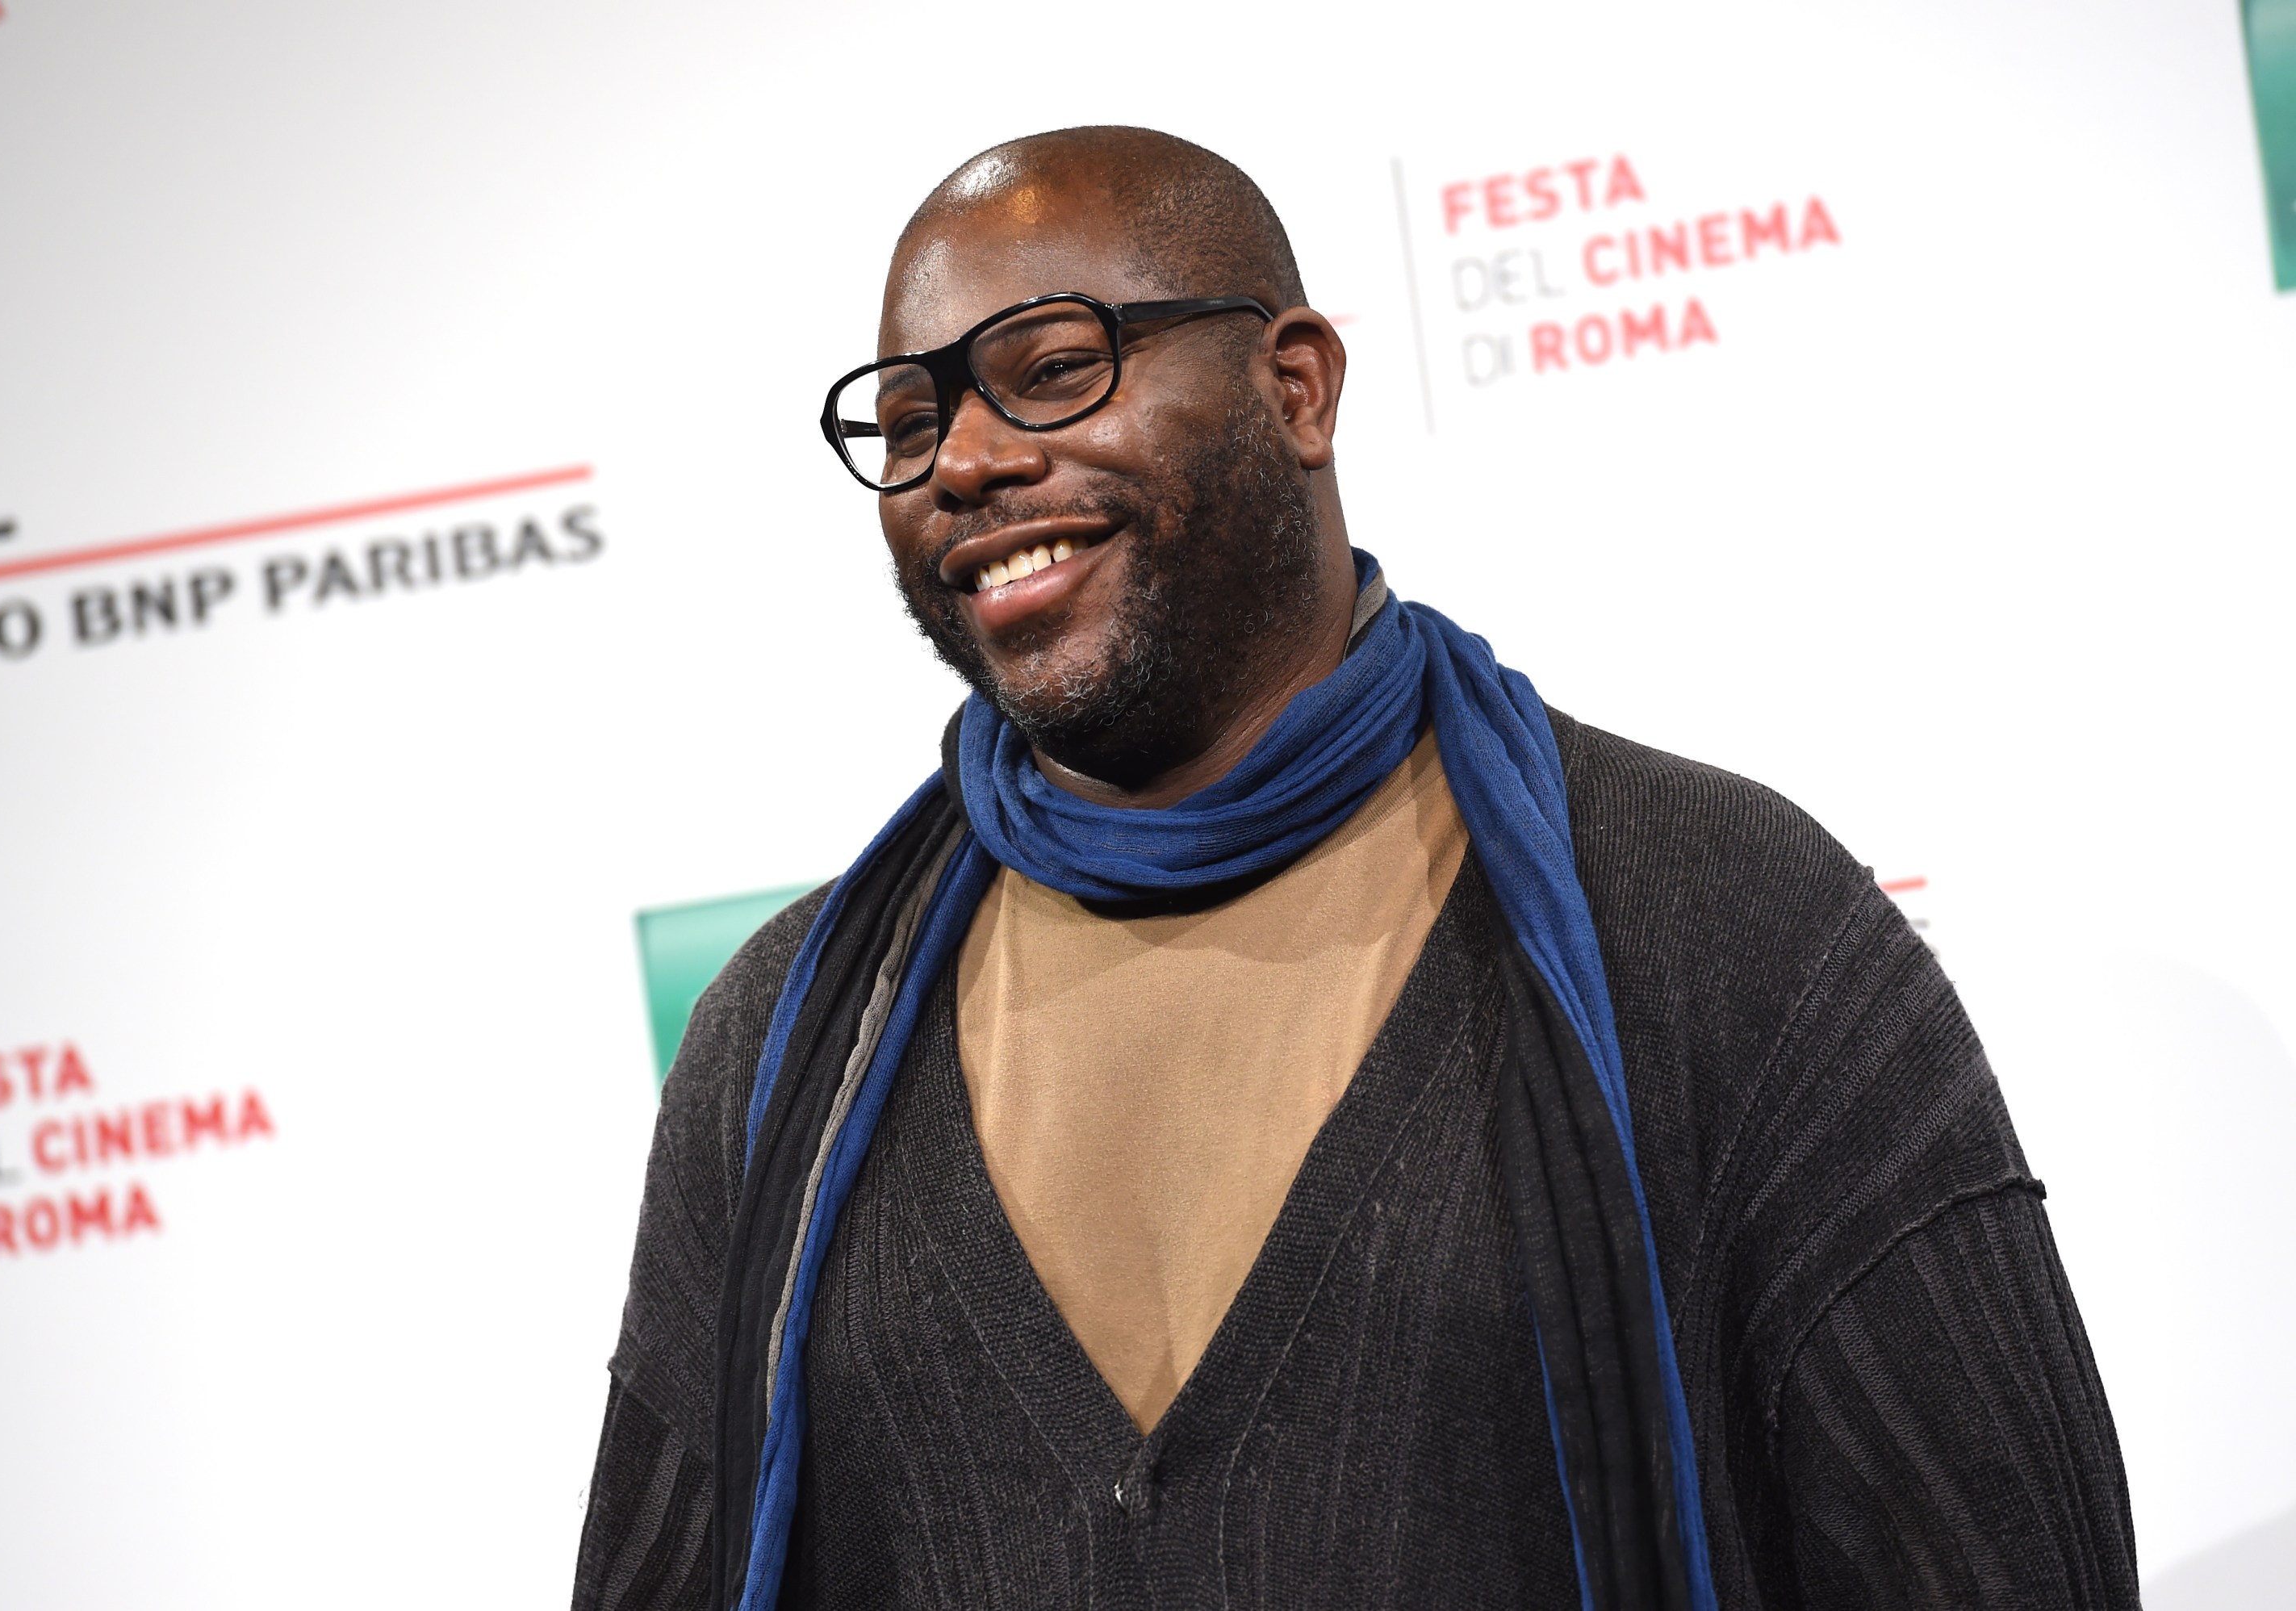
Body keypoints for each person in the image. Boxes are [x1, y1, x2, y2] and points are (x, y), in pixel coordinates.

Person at [573, 127, 2136, 1610]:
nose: (966, 461)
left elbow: (1999, 1555)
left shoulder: (1721, 911)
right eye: (910, 425)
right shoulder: (783, 1042)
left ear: (1297, 387)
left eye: (1052, 371)